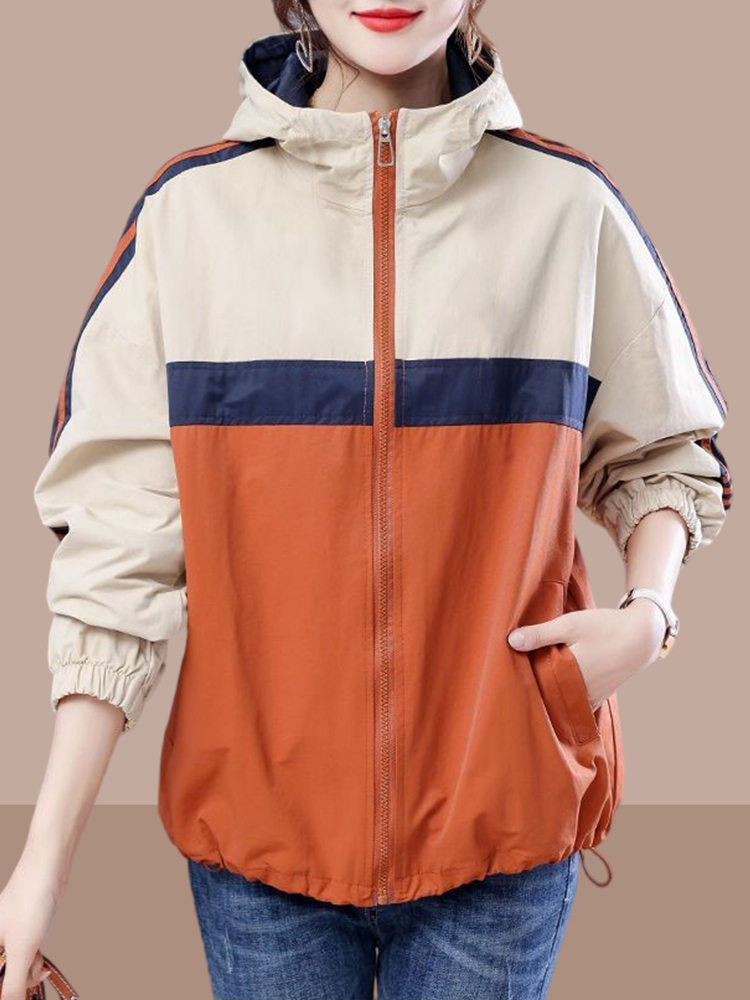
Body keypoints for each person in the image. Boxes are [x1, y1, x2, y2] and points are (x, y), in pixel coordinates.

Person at [0, 2, 732, 998]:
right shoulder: (187, 218)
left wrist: (649, 616)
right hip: (259, 848)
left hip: (503, 827)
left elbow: (666, 452)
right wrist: (43, 867)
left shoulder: (569, 209)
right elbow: (114, 561)